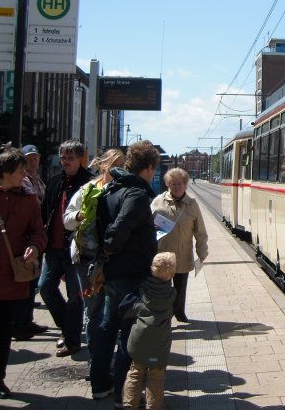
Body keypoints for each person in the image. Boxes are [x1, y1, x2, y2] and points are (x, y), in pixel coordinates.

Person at [0, 145, 47, 407]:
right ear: (4, 172)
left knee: (3, 331)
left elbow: (38, 232)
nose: (24, 177)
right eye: (19, 172)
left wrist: (35, 247)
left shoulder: (28, 199)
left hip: (9, 276)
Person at [89, 140, 159, 405]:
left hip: (113, 272)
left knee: (107, 328)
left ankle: (100, 385)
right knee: (128, 335)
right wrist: (111, 247)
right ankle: (123, 395)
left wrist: (107, 253)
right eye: (154, 169)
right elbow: (119, 230)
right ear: (149, 168)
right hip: (131, 273)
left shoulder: (111, 189)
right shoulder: (137, 194)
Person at [63, 148, 125, 356]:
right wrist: (80, 215)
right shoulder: (88, 189)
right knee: (93, 310)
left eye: (122, 166)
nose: (119, 170)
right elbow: (67, 220)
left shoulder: (125, 192)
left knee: (112, 311)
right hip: (87, 259)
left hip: (113, 260)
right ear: (103, 166)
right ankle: (95, 362)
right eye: (115, 166)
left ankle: (106, 359)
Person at [39, 140, 92, 357]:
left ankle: (72, 341)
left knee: (74, 296)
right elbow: (44, 213)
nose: (66, 162)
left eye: (70, 158)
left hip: (75, 248)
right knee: (45, 287)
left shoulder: (89, 183)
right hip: (53, 246)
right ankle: (68, 328)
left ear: (80, 159)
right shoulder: (53, 182)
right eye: (63, 158)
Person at [121, 251, 177, 410]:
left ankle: (129, 404)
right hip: (159, 346)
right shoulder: (172, 294)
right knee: (156, 378)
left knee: (134, 373)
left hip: (138, 343)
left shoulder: (142, 291)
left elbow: (130, 310)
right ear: (172, 274)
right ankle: (154, 406)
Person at [151, 168, 208, 322]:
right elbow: (147, 226)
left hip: (183, 254)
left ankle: (179, 312)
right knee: (163, 288)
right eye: (172, 184)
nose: (176, 187)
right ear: (168, 185)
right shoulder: (158, 202)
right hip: (162, 254)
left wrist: (202, 252)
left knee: (180, 287)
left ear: (185, 185)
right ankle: (164, 314)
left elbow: (200, 231)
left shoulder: (192, 204)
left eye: (179, 184)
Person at [11, 144, 49, 341]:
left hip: (37, 236)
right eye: (29, 158)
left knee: (32, 282)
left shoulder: (37, 179)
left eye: (35, 157)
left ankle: (26, 320)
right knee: (27, 281)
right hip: (28, 239)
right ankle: (20, 323)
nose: (33, 161)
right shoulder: (24, 181)